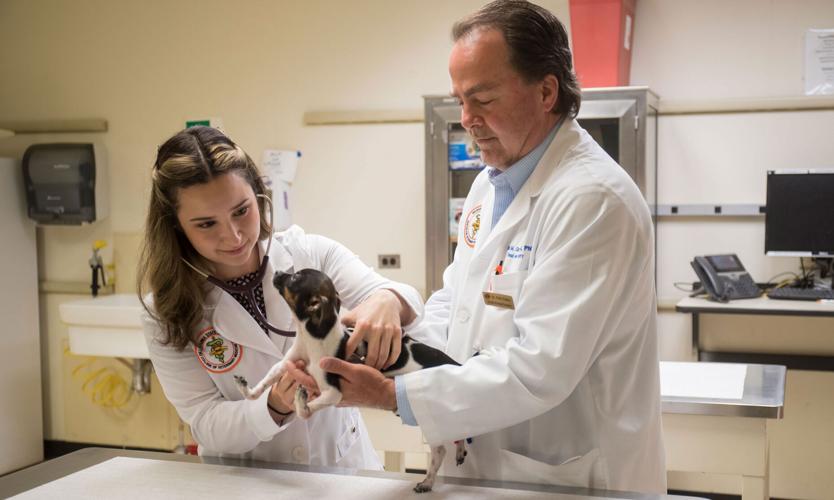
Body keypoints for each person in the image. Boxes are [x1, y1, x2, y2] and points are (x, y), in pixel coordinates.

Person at [302, 0, 666, 493]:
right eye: (459, 100)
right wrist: (387, 345)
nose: (467, 118)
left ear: (545, 91)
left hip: (574, 474)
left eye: (484, 98)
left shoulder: (594, 199)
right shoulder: (489, 185)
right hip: (487, 467)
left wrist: (394, 394)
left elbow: (539, 367)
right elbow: (458, 306)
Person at [138, 125, 422, 467]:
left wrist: (388, 300)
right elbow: (205, 422)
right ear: (176, 228)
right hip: (251, 482)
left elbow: (404, 297)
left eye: (242, 211)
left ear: (259, 195)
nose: (234, 235)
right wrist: (273, 404)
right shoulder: (166, 311)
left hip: (343, 471)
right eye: (206, 224)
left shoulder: (309, 254)